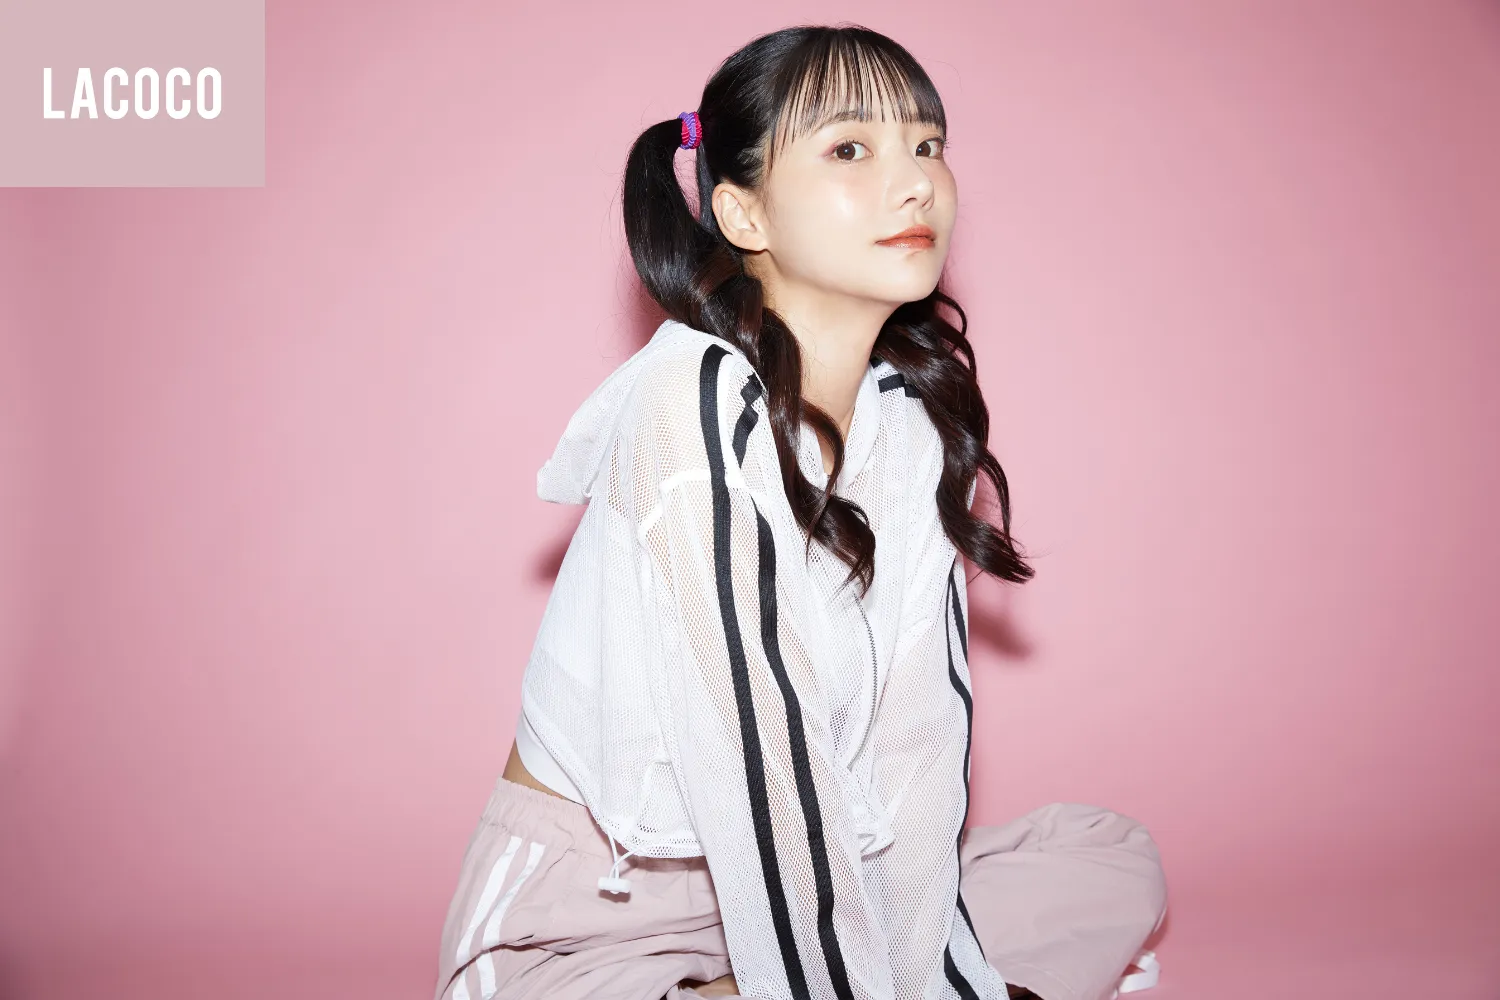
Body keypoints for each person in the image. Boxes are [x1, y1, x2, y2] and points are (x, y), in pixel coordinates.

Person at [432, 22, 1167, 1000]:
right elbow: (761, 765)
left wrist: (934, 976)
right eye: (850, 149)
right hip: (585, 926)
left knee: (1103, 851)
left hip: (823, 862)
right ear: (742, 213)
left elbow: (917, 753)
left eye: (927, 145)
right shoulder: (692, 404)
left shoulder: (905, 423)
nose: (916, 184)